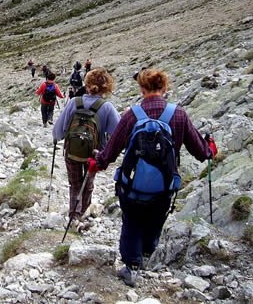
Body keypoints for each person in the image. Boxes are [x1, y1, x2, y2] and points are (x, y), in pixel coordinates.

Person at [88, 68, 216, 287]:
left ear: (141, 88)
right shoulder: (178, 114)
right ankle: (147, 252)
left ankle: (131, 266)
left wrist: (97, 163)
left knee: (132, 221)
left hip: (132, 185)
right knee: (155, 219)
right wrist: (210, 148)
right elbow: (200, 151)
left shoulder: (132, 114)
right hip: (164, 186)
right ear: (165, 87)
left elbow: (111, 149)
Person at [53, 68, 120, 231]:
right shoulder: (107, 108)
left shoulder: (74, 102)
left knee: (74, 184)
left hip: (72, 151)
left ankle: (73, 216)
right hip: (94, 153)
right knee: (88, 183)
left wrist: (57, 138)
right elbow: (119, 134)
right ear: (106, 88)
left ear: (87, 84)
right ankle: (83, 211)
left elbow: (58, 132)